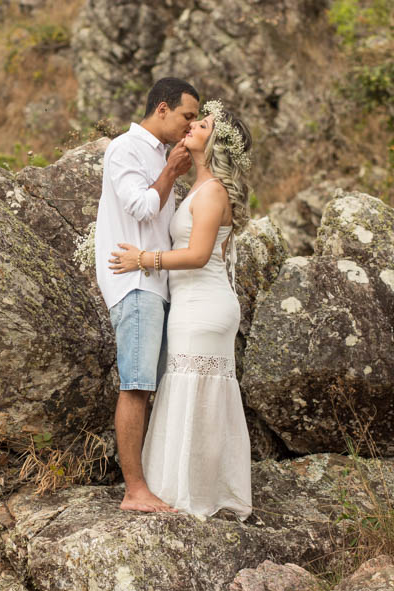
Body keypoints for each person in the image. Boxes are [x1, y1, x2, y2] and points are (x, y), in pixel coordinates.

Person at [109, 100, 254, 521]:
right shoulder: (198, 186)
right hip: (192, 303)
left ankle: (197, 493)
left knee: (197, 390)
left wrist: (145, 260)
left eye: (202, 124)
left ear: (217, 143)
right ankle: (184, 487)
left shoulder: (212, 192)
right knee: (187, 389)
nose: (191, 126)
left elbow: (196, 254)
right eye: (193, 119)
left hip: (205, 304)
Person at [93, 77, 200, 513]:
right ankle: (134, 491)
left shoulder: (157, 154)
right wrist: (172, 172)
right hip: (134, 283)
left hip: (155, 283)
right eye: (186, 116)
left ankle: (150, 481)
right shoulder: (126, 149)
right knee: (136, 385)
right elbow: (140, 208)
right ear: (161, 109)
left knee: (151, 384)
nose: (189, 126)